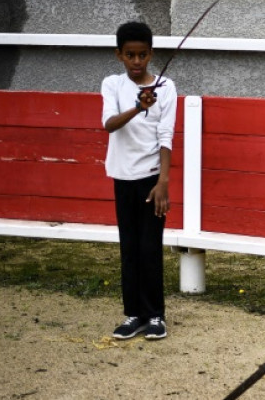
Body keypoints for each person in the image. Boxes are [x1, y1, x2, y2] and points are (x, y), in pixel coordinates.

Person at [101, 21, 177, 340]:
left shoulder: (166, 87)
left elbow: (165, 135)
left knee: (150, 247)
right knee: (129, 248)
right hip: (122, 178)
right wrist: (137, 106)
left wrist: (163, 181)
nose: (136, 61)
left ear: (151, 54)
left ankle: (155, 316)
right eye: (130, 55)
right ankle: (133, 314)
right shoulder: (112, 85)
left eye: (142, 55)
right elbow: (109, 124)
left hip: (150, 180)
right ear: (119, 55)